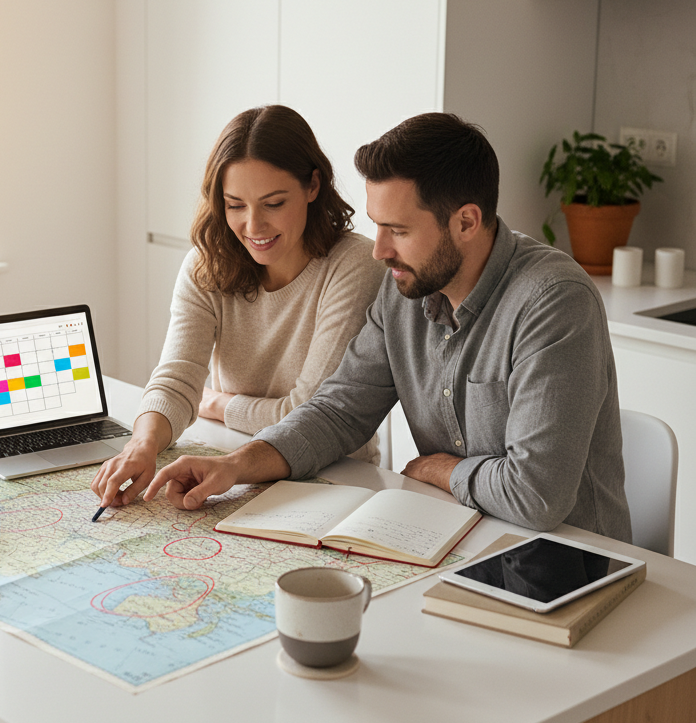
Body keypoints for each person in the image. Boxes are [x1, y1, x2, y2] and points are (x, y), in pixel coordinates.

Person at [144, 112, 632, 542]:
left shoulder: (554, 302)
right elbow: (337, 412)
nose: (379, 251)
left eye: (397, 230)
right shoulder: (407, 289)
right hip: (462, 533)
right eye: (377, 226)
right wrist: (234, 467)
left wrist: (443, 468)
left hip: (570, 559)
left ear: (466, 221)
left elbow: (535, 497)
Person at [91, 105, 386, 509]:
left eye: (274, 203)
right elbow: (178, 380)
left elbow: (306, 414)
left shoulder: (354, 265)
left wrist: (216, 403)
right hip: (232, 464)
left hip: (333, 479)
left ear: (313, 186)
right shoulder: (205, 264)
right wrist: (142, 445)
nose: (253, 226)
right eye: (235, 205)